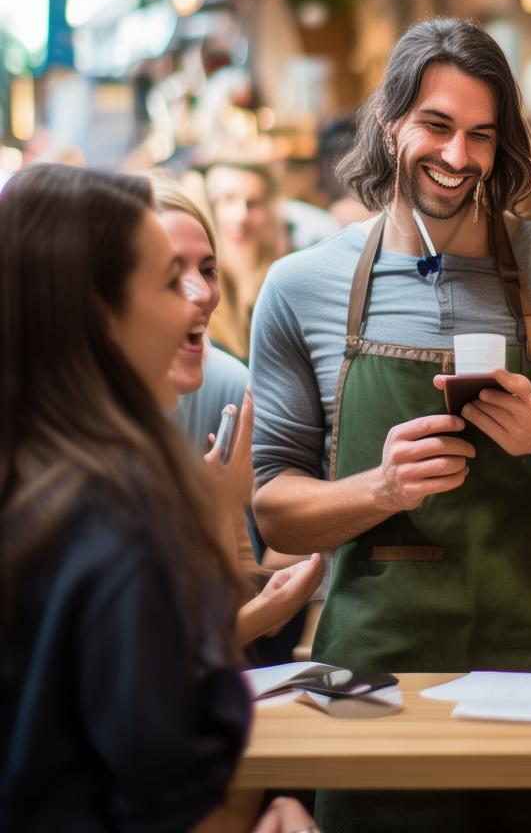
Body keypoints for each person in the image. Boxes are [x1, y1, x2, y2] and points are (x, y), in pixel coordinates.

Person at [251, 16, 531, 833]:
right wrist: (381, 487)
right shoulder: (300, 288)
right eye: (435, 126)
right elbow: (276, 506)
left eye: (480, 136)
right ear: (390, 122)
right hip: (375, 689)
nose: (457, 158)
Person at [0, 164, 318, 833]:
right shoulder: (117, 524)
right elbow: (189, 799)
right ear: (97, 312)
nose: (194, 303)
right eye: (168, 281)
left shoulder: (41, 480)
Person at [149, 171, 317, 655]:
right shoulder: (66, 436)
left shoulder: (227, 385)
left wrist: (267, 592)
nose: (200, 292)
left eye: (207, 269)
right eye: (167, 272)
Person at [205, 161, 288, 362]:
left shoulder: (284, 277)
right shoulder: (203, 280)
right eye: (228, 200)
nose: (241, 215)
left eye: (254, 203)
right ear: (212, 207)